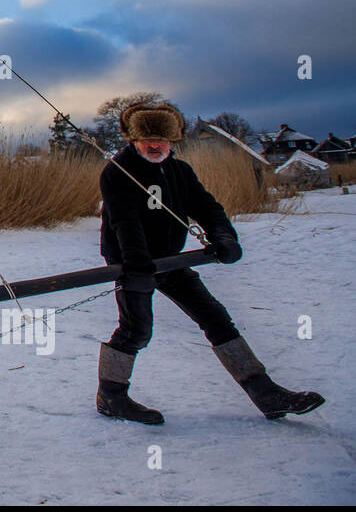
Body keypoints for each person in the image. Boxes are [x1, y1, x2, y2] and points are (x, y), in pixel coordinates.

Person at [96, 102, 323, 424]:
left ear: (173, 141)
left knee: (216, 318)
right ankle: (111, 397)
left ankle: (265, 393)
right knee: (137, 329)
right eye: (148, 139)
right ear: (133, 139)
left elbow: (207, 207)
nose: (156, 145)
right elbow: (124, 222)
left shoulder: (180, 171)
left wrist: (224, 237)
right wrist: (136, 263)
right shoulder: (116, 172)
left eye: (163, 139)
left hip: (172, 261)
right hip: (130, 264)